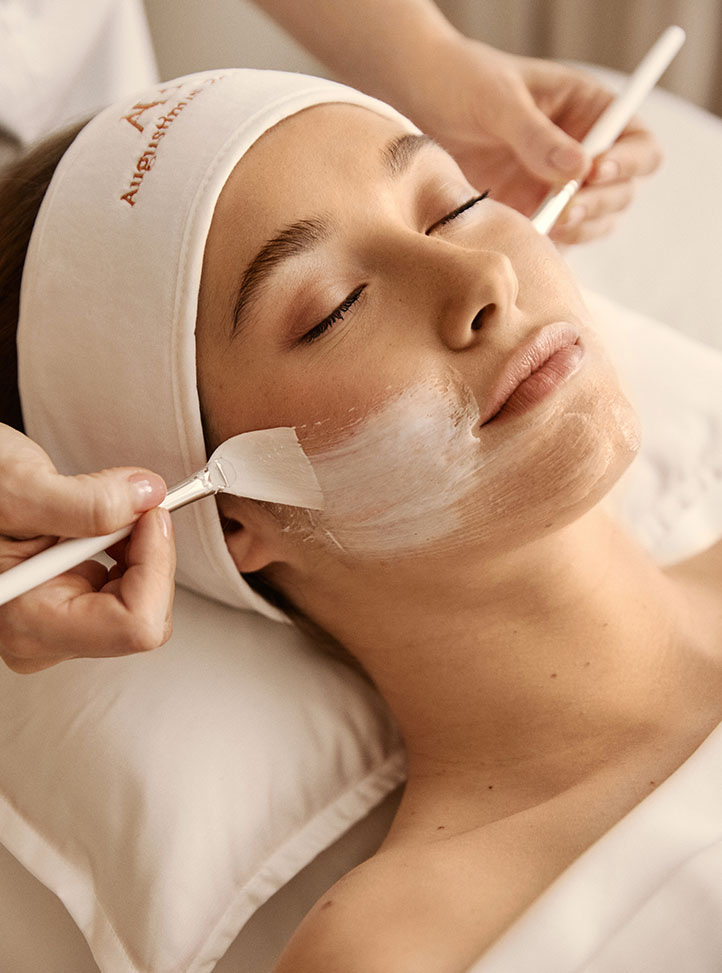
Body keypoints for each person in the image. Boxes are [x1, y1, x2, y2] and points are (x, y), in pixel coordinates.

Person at [3, 69, 720, 968]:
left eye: (454, 207)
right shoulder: (400, 952)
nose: (482, 273)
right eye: (332, 310)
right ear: (229, 521)